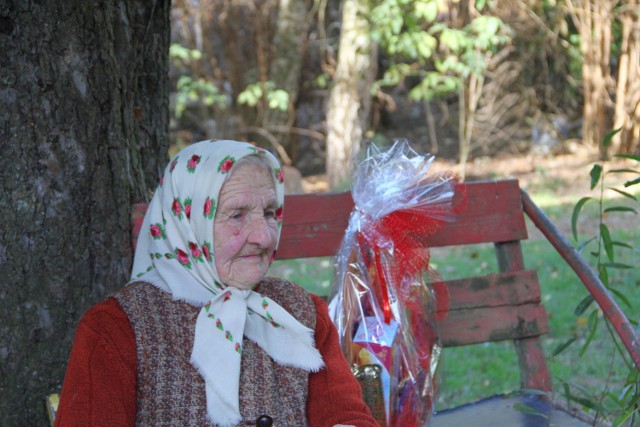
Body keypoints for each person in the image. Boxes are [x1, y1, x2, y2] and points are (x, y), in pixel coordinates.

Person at [54, 140, 377, 427]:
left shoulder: (301, 312)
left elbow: (344, 415)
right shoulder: (116, 328)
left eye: (268, 212)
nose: (264, 236)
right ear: (187, 223)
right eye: (237, 215)